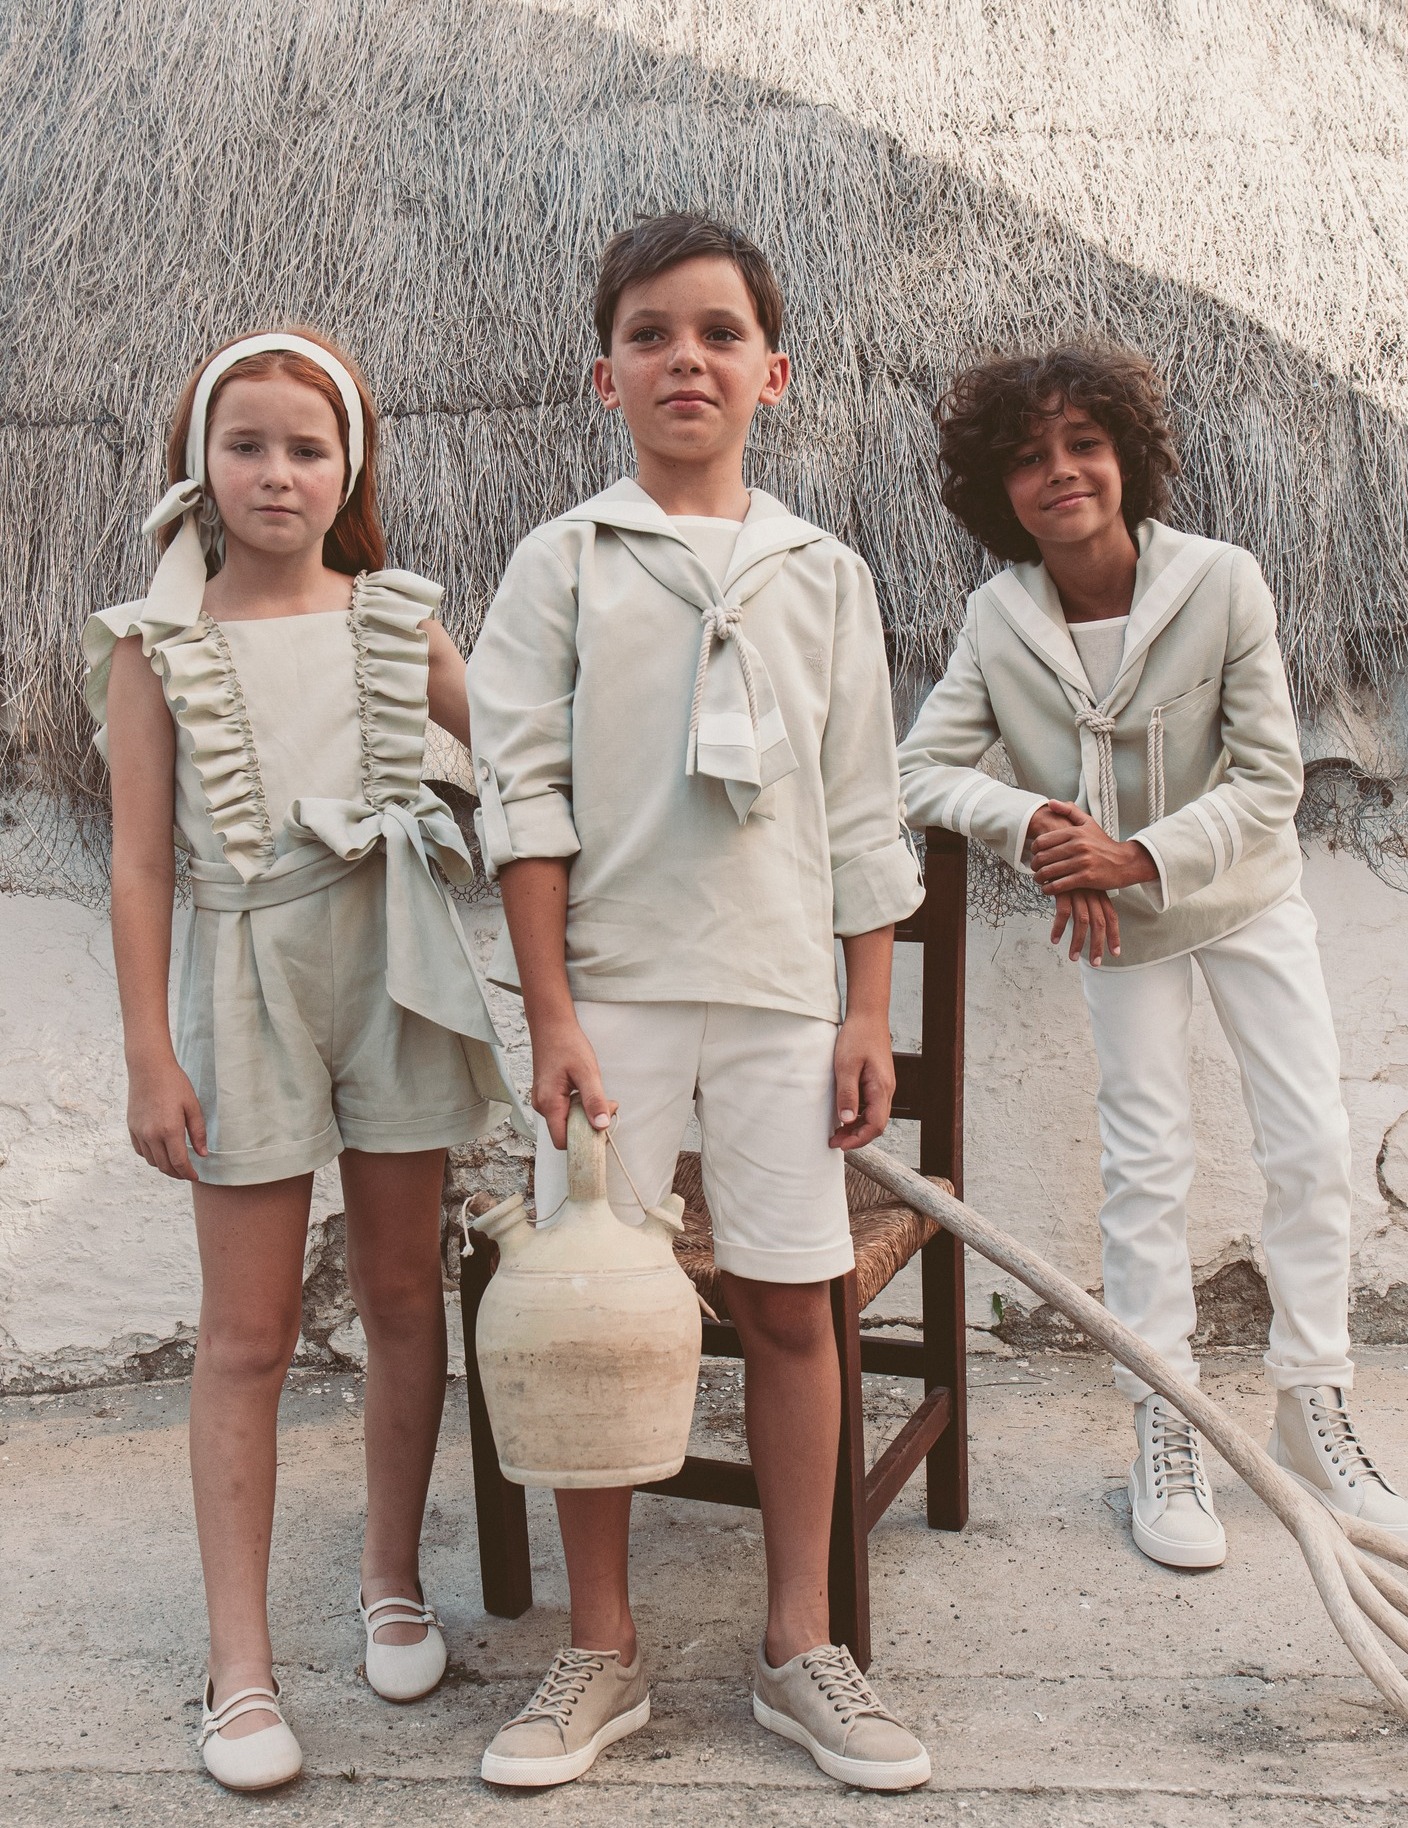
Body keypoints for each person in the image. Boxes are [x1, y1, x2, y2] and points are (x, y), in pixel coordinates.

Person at [466, 213, 930, 1791]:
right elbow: (522, 798)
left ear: (771, 375)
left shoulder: (824, 576)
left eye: (719, 333)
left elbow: (861, 808)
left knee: (791, 1305)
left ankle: (799, 1645)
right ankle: (600, 1649)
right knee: (588, 1312)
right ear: (603, 376)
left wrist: (862, 1010)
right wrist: (551, 1015)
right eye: (650, 334)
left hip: (784, 996)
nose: (686, 359)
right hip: (610, 1000)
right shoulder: (561, 564)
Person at [898, 343, 1408, 1572]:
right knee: (1144, 1162)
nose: (1059, 471)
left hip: (1238, 896)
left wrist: (1133, 854)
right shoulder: (995, 618)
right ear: (996, 490)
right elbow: (923, 768)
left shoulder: (1219, 581)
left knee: (1307, 1142)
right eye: (1027, 457)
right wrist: (1039, 828)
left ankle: (1311, 1407)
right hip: (1113, 924)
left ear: (1126, 458)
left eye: (1083, 444)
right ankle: (1165, 1420)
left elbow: (1269, 778)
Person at [86, 330, 526, 1792]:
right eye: (247, 445)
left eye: (306, 448)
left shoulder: (398, 621)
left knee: (403, 1293)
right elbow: (139, 867)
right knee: (248, 1333)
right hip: (245, 982)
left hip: (393, 963)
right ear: (199, 464)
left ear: (350, 469)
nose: (277, 473)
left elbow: (527, 757)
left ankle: (390, 1578)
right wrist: (150, 1055)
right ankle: (240, 1665)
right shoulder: (156, 648)